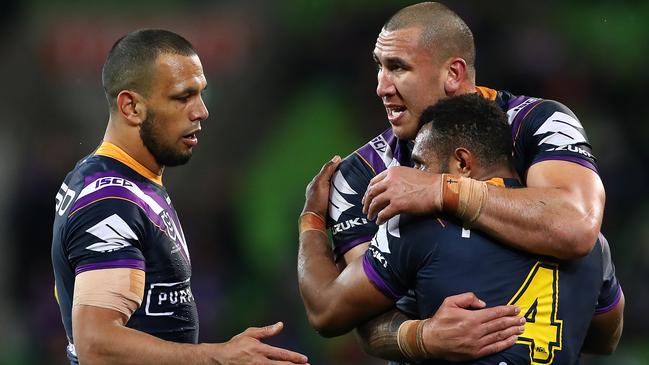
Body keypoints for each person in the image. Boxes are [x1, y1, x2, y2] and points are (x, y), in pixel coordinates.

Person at [323, 1, 607, 361]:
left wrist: (445, 191)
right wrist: (420, 336)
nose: (381, 87)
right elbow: (356, 313)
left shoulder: (538, 123)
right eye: (379, 66)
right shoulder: (360, 174)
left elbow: (577, 226)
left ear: (454, 74)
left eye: (397, 67)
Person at [298, 94, 624, 364]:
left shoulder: (423, 227)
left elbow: (326, 310)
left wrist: (312, 218)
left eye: (421, 164)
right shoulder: (597, 249)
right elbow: (605, 337)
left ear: (462, 164)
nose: (416, 175)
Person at [51, 29, 309, 365]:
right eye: (182, 97)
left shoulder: (129, 182)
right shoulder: (111, 203)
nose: (201, 111)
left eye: (201, 94)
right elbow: (96, 344)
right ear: (131, 106)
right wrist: (220, 356)